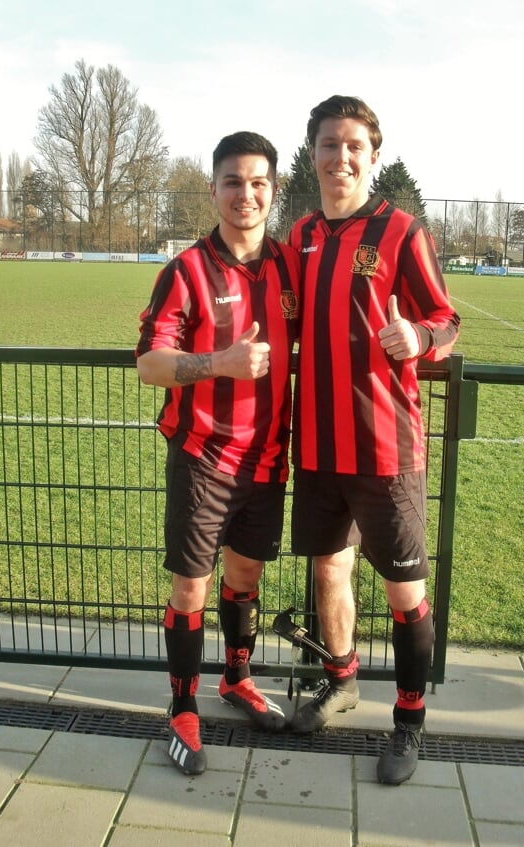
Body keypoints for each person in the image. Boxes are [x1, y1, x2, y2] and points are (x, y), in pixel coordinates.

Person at [284, 95, 460, 785]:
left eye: (354, 145)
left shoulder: (402, 233)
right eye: (329, 145)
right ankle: (342, 679)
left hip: (387, 452)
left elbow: (446, 321)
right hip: (319, 451)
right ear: (314, 154)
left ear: (373, 155)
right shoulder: (298, 237)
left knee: (404, 591)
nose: (341, 157)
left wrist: (419, 336)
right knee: (329, 571)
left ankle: (410, 720)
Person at [134, 131, 299, 776]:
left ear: (273, 191)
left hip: (268, 458)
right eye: (233, 181)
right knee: (190, 584)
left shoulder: (289, 268)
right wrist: (221, 363)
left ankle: (235, 677)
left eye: (258, 182)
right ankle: (181, 705)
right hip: (204, 455)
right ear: (214, 189)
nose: (246, 194)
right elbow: (150, 363)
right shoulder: (186, 270)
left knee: (246, 579)